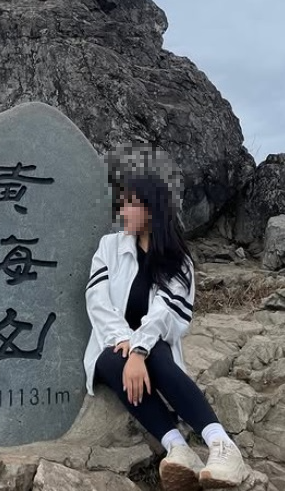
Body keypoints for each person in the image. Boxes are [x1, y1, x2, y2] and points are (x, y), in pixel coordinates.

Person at [83, 172, 246, 490]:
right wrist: (124, 340)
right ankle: (178, 448)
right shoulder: (109, 247)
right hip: (113, 342)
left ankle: (222, 445)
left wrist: (139, 349)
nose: (122, 211)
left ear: (150, 209)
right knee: (111, 360)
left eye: (129, 204)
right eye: (121, 204)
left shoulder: (177, 260)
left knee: (154, 355)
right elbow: (96, 299)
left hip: (154, 345)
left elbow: (164, 312)